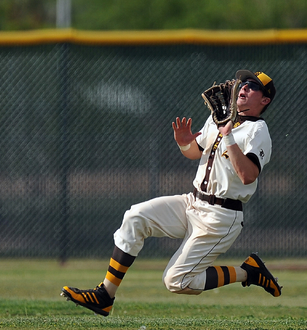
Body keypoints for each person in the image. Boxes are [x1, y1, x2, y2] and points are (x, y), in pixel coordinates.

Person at [61, 70, 280, 316]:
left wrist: (227, 136)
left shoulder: (258, 131)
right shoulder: (220, 116)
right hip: (192, 202)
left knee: (176, 281)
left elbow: (248, 175)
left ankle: (248, 272)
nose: (244, 87)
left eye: (253, 86)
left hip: (220, 218)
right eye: (244, 83)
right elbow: (195, 151)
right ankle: (105, 295)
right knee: (136, 217)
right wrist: (184, 141)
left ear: (264, 100)